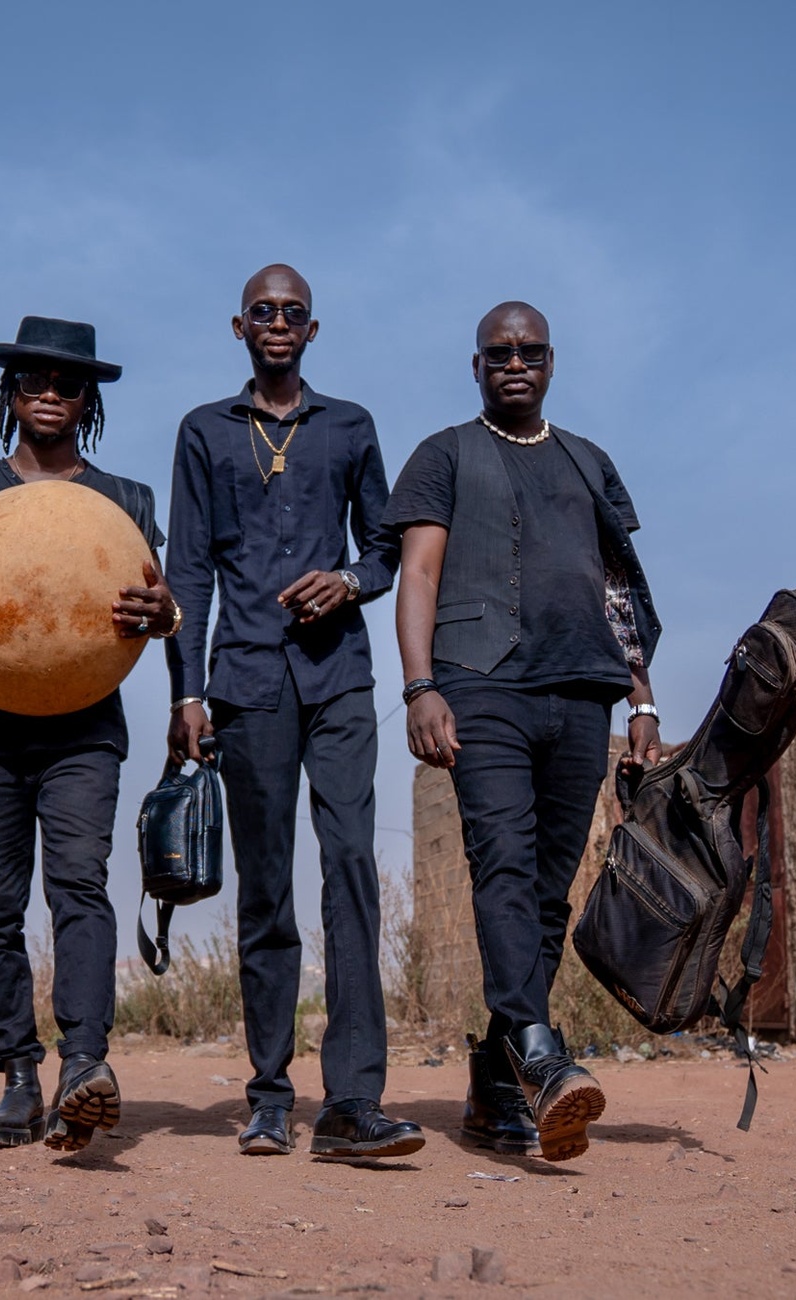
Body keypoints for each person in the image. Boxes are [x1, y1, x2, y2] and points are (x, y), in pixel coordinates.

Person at [387, 301, 662, 1162]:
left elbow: (617, 588)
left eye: (530, 352)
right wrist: (420, 686)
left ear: (551, 363)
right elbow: (418, 572)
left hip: (582, 688)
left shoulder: (588, 460)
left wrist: (642, 700)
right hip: (481, 683)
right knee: (501, 860)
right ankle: (540, 1054)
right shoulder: (443, 453)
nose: (515, 364)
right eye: (499, 353)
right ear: (476, 366)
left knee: (547, 891)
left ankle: (495, 1080)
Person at [164, 265, 424, 1159]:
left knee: (350, 867)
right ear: (239, 327)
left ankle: (352, 1098)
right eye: (263, 311)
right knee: (265, 884)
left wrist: (348, 579)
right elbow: (187, 569)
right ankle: (270, 1095)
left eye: (294, 313)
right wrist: (186, 692)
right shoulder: (203, 430)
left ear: (313, 331)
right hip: (245, 683)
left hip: (338, 677)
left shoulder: (350, 426)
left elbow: (385, 546)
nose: (278, 322)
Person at [0, 317, 178, 1153]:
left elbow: (162, 604)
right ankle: (19, 1077)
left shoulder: (127, 502)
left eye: (68, 384)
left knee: (79, 888)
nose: (50, 395)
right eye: (33, 381)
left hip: (84, 729)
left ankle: (84, 1064)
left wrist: (163, 613)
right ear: (10, 393)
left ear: (88, 399)